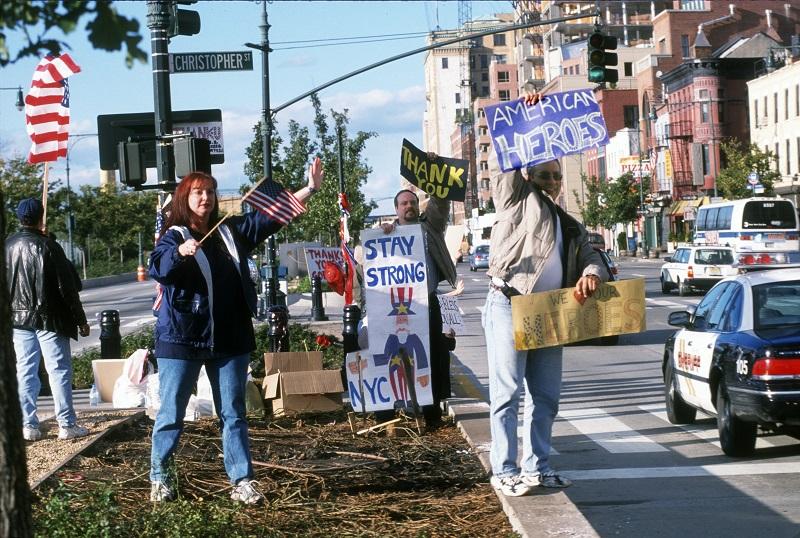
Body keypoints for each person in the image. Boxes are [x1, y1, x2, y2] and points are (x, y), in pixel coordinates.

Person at [148, 160, 323, 504]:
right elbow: (160, 267)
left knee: (233, 414)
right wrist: (181, 253)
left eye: (210, 192)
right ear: (185, 198)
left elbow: (269, 218)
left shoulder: (231, 230)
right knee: (170, 414)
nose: (206, 198)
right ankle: (161, 478)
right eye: (198, 192)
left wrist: (310, 189)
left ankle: (242, 481)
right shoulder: (174, 235)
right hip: (181, 340)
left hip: (229, 339)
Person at [482, 101, 607, 496]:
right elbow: (507, 162)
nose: (552, 181)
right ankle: (504, 469)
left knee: (546, 397)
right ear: (530, 175)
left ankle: (538, 466)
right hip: (509, 303)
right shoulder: (515, 199)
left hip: (549, 313)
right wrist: (528, 116)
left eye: (556, 176)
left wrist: (590, 274)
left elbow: (592, 256)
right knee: (507, 394)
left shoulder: (568, 222)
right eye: (545, 175)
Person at [6, 197, 91, 442]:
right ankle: (66, 424)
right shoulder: (49, 247)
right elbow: (69, 287)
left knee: (25, 371)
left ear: (20, 218)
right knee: (58, 371)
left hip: (18, 320)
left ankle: (28, 424)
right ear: (41, 217)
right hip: (49, 319)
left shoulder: (7, 246)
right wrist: (80, 319)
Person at [377, 187, 458, 427]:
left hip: (428, 302)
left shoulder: (429, 228)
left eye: (412, 202)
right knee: (395, 357)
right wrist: (383, 233)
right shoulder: (387, 233)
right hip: (398, 306)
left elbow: (441, 205)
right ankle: (390, 413)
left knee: (432, 356)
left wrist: (436, 179)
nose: (409, 206)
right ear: (396, 209)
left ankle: (432, 414)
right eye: (404, 203)